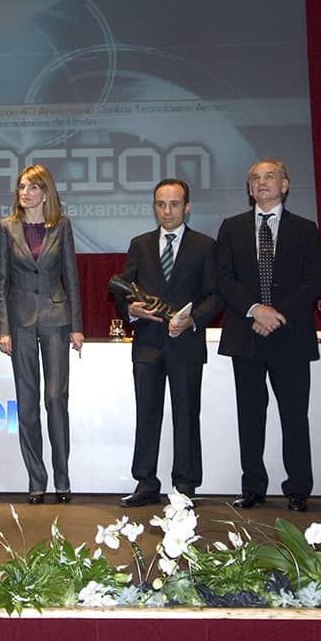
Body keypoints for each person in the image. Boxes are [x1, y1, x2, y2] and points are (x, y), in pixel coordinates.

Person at [215, 159, 321, 513]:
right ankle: (252, 487)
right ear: (249, 189)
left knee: (294, 416)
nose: (262, 183)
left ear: (285, 185)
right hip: (246, 334)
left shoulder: (305, 229)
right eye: (255, 179)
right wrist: (255, 310)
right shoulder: (231, 228)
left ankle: (298, 489)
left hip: (290, 335)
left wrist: (276, 315)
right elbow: (224, 278)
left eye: (270, 176)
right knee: (250, 415)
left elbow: (312, 282)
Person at [113, 178, 223, 508]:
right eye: (161, 204)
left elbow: (215, 295)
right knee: (146, 414)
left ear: (187, 207)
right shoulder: (140, 244)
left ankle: (185, 486)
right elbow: (121, 290)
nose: (167, 211)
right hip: (147, 343)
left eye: (174, 204)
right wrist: (130, 310)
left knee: (187, 415)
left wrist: (194, 319)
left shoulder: (205, 245)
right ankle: (145, 482)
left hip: (186, 342)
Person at [0, 165, 84, 505]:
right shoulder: (6, 227)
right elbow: (2, 280)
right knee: (27, 403)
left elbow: (71, 276)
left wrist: (77, 325)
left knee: (55, 398)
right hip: (19, 321)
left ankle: (62, 477)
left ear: (46, 193)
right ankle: (36, 479)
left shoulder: (62, 226)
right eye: (22, 186)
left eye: (33, 187)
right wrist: (3, 327)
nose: (25, 192)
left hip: (56, 318)